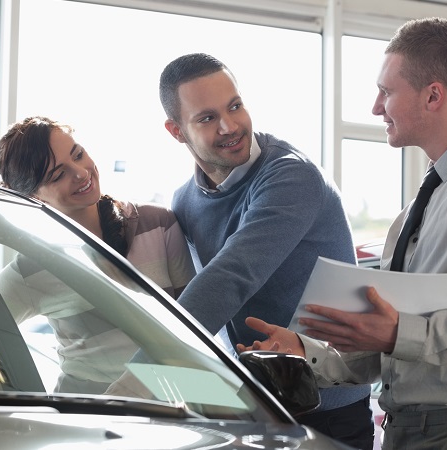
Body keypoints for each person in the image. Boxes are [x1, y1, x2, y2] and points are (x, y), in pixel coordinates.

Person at [237, 17, 447, 450]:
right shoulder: (417, 209)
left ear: (433, 95)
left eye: (386, 91)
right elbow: (392, 348)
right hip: (404, 430)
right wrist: (307, 353)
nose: (376, 108)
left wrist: (400, 333)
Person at [159, 53, 374, 449]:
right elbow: (194, 290)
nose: (230, 126)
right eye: (206, 118)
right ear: (177, 131)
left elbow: (232, 275)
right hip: (258, 406)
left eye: (235, 106)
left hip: (329, 408)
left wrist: (143, 371)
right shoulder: (185, 201)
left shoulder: (291, 176)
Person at [0, 116, 196, 393]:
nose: (80, 173)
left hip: (175, 408)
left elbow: (194, 332)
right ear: (35, 196)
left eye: (78, 154)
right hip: (87, 418)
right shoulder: (32, 269)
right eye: (58, 174)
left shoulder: (158, 223)